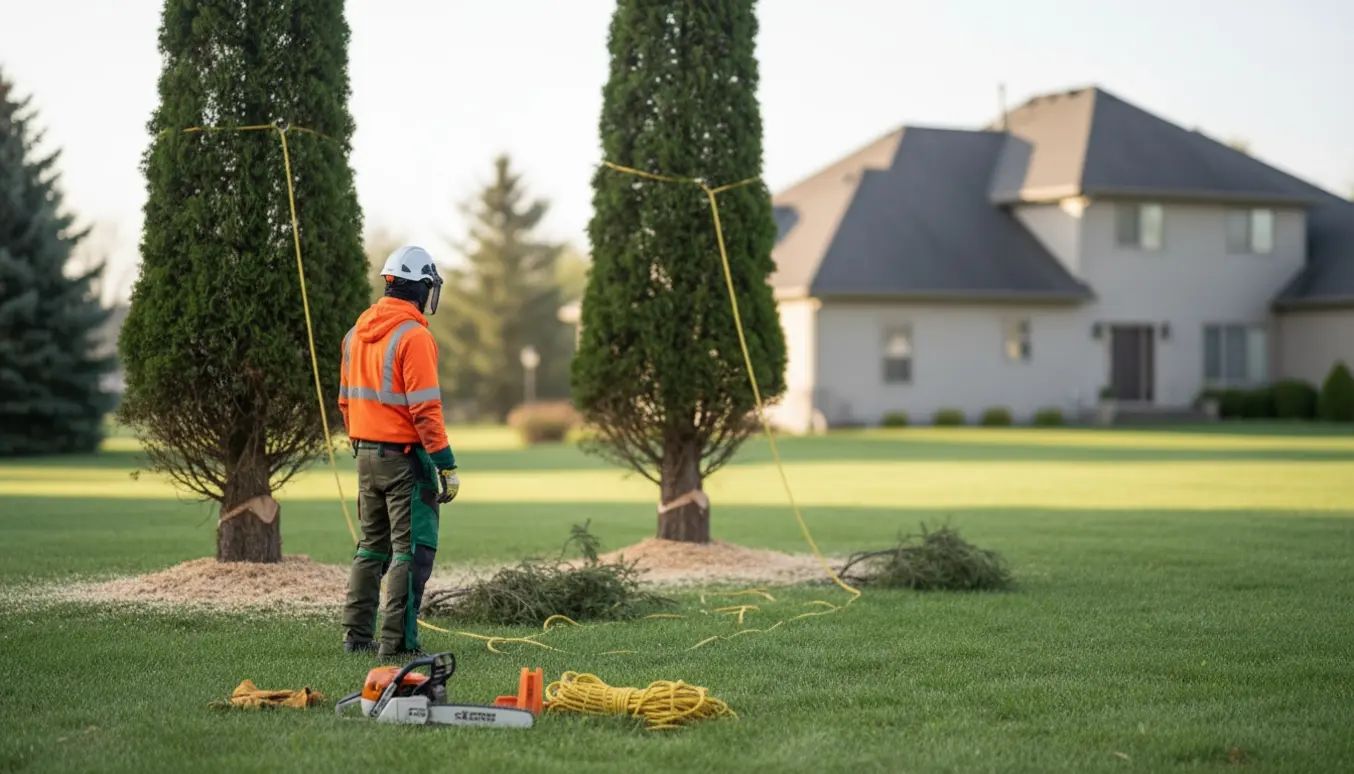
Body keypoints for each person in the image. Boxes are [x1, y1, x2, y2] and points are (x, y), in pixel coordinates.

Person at [337, 244, 460, 658]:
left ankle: (356, 637)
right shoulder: (414, 336)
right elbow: (426, 409)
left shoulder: (355, 334)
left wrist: (363, 442)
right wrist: (446, 464)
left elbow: (345, 402)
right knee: (411, 551)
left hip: (365, 456)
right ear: (422, 288)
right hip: (405, 459)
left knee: (371, 548)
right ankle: (398, 642)